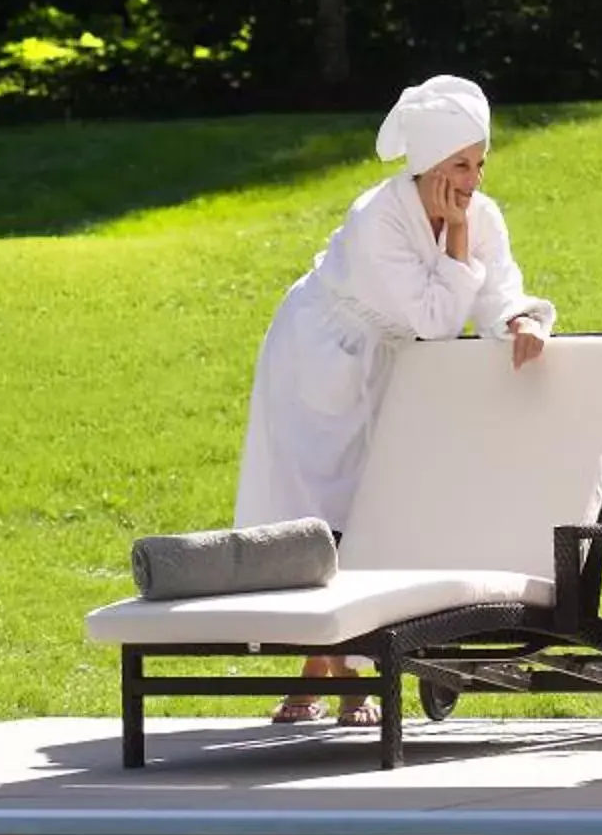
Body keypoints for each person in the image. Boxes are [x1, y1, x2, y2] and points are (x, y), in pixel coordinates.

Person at [236, 74, 555, 724]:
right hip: (320, 358)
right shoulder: (376, 219)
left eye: (480, 163)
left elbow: (494, 291)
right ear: (431, 162)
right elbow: (436, 319)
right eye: (461, 164)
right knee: (318, 514)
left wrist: (520, 320)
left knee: (376, 512)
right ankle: (325, 669)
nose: (474, 180)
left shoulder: (480, 216)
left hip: (392, 367)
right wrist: (458, 243)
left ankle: (336, 672)